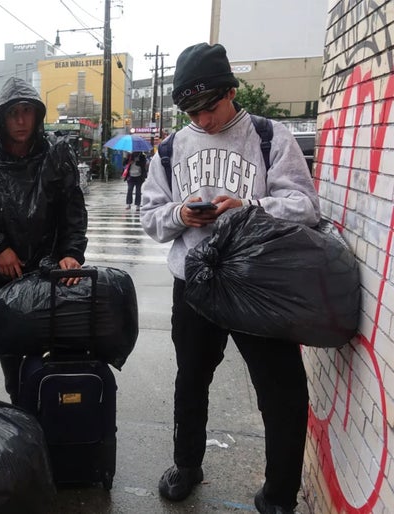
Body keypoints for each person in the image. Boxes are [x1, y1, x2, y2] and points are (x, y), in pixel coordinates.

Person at [139, 43, 320, 514]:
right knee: (191, 379)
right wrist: (181, 213)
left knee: (281, 389)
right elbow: (151, 218)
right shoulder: (171, 148)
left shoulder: (267, 136)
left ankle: (278, 494)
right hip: (195, 283)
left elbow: (305, 207)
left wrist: (249, 208)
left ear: (232, 92)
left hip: (257, 283)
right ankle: (186, 465)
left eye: (210, 107)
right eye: (191, 111)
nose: (202, 120)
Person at [0, 76, 88, 402]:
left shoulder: (57, 156)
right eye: (12, 112)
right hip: (4, 282)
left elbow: (74, 215)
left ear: (37, 115)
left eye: (26, 111)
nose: (20, 120)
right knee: (15, 371)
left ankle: (58, 429)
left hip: (51, 276)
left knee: (56, 365)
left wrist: (71, 253)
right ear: (1, 118)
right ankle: (26, 429)